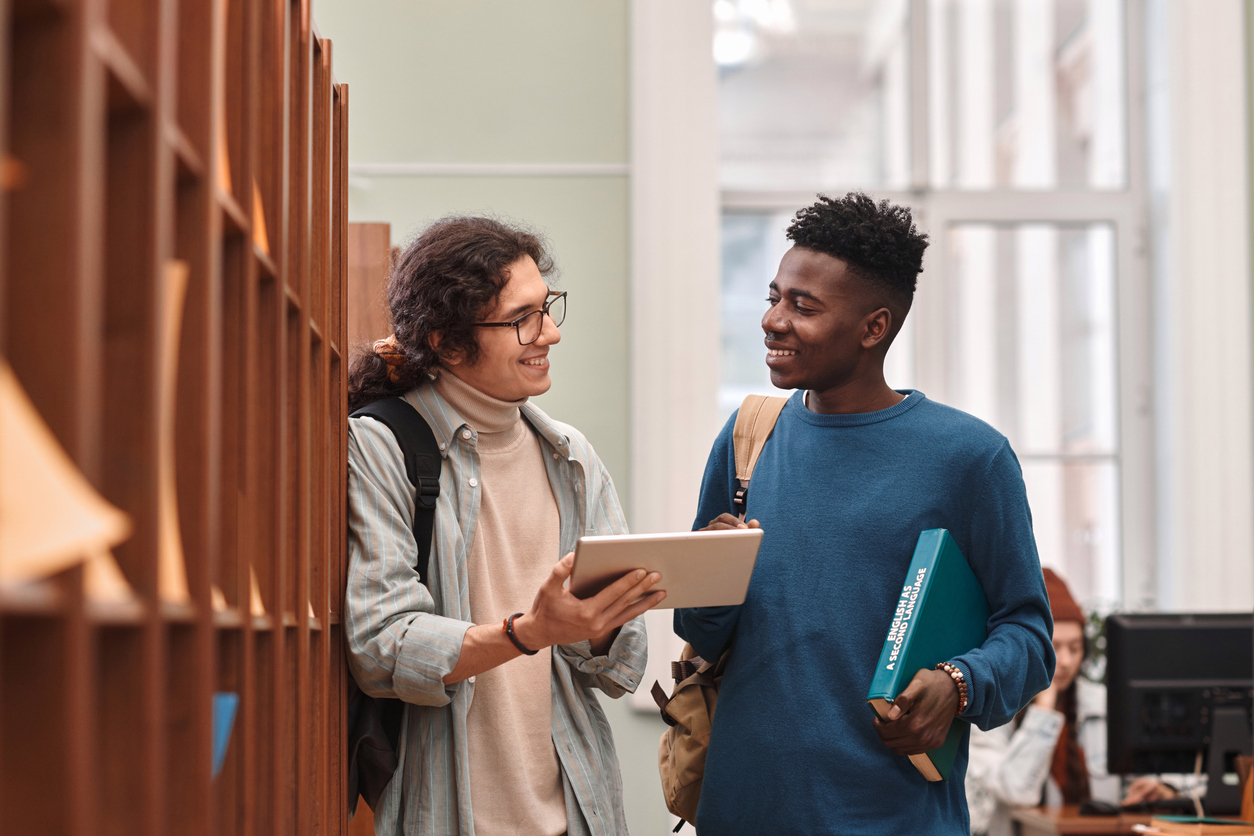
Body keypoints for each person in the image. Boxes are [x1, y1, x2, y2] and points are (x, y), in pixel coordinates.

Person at [674, 193, 1055, 835]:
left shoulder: (969, 457)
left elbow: (1029, 634)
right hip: (744, 811)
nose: (773, 320)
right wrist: (711, 579)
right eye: (774, 297)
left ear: (873, 328)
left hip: (896, 817)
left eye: (804, 306)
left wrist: (959, 681)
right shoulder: (747, 440)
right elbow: (702, 633)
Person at [345, 216, 665, 836]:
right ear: (446, 340)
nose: (551, 333)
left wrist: (599, 624)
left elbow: (620, 667)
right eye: (523, 318)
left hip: (577, 811)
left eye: (547, 309)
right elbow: (381, 646)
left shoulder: (570, 457)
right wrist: (530, 631)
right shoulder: (381, 444)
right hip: (448, 815)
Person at [966, 569, 1188, 836]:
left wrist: (1162, 788)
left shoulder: (1102, 705)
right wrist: (1044, 710)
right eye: (1055, 648)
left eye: (1075, 647)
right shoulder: (991, 710)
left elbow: (1164, 772)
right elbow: (1017, 790)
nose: (1068, 661)